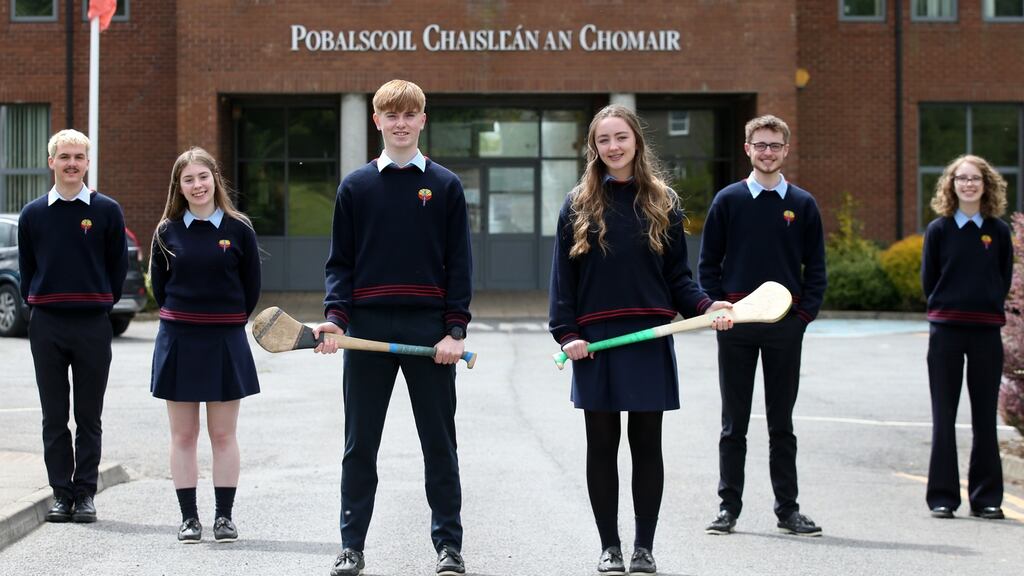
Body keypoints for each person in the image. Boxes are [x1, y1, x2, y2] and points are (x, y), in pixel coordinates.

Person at [549, 104, 734, 575]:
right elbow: (562, 284)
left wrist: (706, 307)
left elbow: (679, 278)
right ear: (594, 147)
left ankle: (644, 548)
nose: (613, 147)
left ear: (637, 142)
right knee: (602, 444)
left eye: (620, 138)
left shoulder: (663, 202)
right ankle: (609, 546)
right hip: (596, 343)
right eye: (603, 140)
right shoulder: (577, 204)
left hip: (649, 336)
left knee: (647, 443)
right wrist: (567, 333)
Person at [313, 79, 472, 576]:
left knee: (438, 445)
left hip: (430, 333)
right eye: (391, 115)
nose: (400, 123)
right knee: (360, 444)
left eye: (410, 115)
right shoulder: (355, 187)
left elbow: (459, 265)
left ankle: (448, 546)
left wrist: (455, 329)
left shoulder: (445, 186)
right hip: (368, 328)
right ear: (376, 121)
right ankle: (351, 546)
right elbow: (340, 264)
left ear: (423, 121)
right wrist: (336, 319)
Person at [698, 114, 827, 537]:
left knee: (781, 424)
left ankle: (787, 510)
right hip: (736, 325)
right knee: (733, 423)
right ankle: (727, 508)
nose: (767, 152)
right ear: (747, 149)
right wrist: (718, 308)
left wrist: (801, 319)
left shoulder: (803, 205)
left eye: (775, 145)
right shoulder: (728, 201)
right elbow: (708, 264)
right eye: (760, 145)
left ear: (786, 151)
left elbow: (817, 272)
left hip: (783, 329)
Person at [149, 147, 262, 543]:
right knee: (183, 436)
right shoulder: (166, 231)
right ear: (178, 187)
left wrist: (225, 322)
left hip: (225, 340)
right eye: (188, 179)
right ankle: (189, 519)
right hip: (179, 340)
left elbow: (251, 290)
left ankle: (224, 518)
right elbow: (160, 290)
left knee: (223, 435)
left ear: (215, 179)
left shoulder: (239, 229)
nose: (197, 185)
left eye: (203, 177)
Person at [18, 129, 128, 524]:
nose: (71, 163)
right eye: (64, 156)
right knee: (53, 415)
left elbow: (118, 267)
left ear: (87, 162)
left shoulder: (107, 211)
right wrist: (38, 306)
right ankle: (60, 494)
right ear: (51, 162)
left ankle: (85, 494)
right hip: (46, 325)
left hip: (92, 325)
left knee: (88, 416)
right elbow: (27, 269)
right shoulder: (32, 214)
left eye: (78, 157)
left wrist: (102, 302)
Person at [921, 154, 1011, 521]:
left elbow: (1003, 279)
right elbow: (930, 280)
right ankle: (943, 497)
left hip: (986, 332)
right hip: (946, 331)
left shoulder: (999, 231)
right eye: (961, 178)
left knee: (983, 419)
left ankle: (986, 498)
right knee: (943, 417)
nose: (968, 184)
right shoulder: (938, 230)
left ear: (986, 184)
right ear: (951, 184)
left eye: (975, 178)